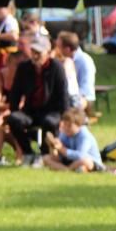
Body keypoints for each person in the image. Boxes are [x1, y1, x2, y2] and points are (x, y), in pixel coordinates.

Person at [6, 36, 68, 164]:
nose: (35, 56)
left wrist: (64, 117)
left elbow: (63, 95)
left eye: (38, 53)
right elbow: (15, 92)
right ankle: (28, 152)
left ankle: (44, 154)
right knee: (13, 119)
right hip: (31, 110)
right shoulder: (24, 67)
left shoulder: (56, 67)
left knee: (49, 122)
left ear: (47, 52)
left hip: (52, 110)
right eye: (33, 52)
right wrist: (14, 110)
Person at [42, 107, 103, 172]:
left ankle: (67, 169)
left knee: (85, 161)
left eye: (69, 126)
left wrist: (62, 149)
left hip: (89, 161)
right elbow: (57, 158)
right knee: (46, 158)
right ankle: (68, 169)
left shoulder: (85, 135)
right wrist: (53, 146)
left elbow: (80, 155)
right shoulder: (64, 133)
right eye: (65, 125)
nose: (66, 128)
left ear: (79, 125)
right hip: (71, 161)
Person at [57, 31, 96, 112]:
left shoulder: (84, 61)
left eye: (59, 47)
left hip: (84, 99)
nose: (57, 50)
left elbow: (85, 89)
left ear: (67, 49)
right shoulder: (63, 60)